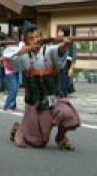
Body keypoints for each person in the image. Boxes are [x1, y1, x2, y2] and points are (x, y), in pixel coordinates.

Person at [5, 22, 80, 151]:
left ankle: (61, 138)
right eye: (31, 38)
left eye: (37, 37)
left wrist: (65, 45)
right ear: (26, 41)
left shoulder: (50, 50)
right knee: (38, 142)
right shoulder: (22, 55)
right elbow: (7, 55)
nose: (35, 40)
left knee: (68, 115)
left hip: (52, 98)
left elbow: (59, 51)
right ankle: (19, 128)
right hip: (34, 102)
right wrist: (27, 48)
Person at [57, 26, 76, 97]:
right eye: (58, 31)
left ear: (64, 32)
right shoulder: (57, 41)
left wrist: (71, 68)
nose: (58, 33)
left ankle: (63, 102)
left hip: (66, 66)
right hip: (56, 66)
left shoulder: (70, 42)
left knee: (63, 86)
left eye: (60, 31)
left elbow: (74, 57)